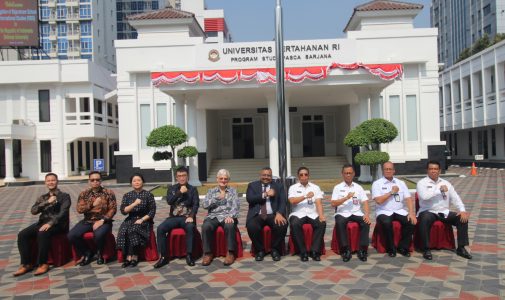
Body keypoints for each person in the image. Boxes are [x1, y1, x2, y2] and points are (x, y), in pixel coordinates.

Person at [14, 173, 71, 276]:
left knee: (42, 233)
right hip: (42, 223)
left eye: (53, 180)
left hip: (58, 225)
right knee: (22, 234)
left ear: (57, 181)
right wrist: (47, 202)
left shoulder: (64, 196)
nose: (51, 182)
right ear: (45, 183)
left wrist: (50, 223)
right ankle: (26, 264)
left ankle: (43, 263)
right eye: (48, 181)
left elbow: (63, 213)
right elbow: (33, 211)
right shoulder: (43, 197)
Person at [416, 160, 472, 260]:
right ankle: (426, 248)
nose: (433, 171)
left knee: (462, 219)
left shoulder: (446, 183)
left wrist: (462, 210)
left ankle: (461, 248)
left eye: (436, 169)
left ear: (439, 171)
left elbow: (455, 198)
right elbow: (424, 197)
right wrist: (439, 190)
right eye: (431, 169)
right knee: (424, 219)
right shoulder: (422, 183)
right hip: (428, 211)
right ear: (427, 171)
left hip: (444, 211)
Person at [68, 171, 117, 266]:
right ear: (89, 181)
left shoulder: (108, 193)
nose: (95, 182)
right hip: (88, 220)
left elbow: (113, 209)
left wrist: (102, 220)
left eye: (97, 180)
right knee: (71, 235)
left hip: (103, 221)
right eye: (92, 180)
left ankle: (100, 253)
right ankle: (87, 252)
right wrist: (92, 204)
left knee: (98, 234)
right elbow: (79, 209)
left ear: (101, 181)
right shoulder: (84, 193)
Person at [154, 166, 199, 268]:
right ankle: (164, 257)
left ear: (187, 176)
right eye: (179, 176)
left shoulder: (193, 189)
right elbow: (169, 201)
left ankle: (189, 255)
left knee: (190, 227)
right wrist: (179, 192)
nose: (182, 178)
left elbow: (196, 204)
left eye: (184, 175)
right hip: (174, 217)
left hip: (187, 217)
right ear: (176, 177)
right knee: (161, 228)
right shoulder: (172, 188)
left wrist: (191, 216)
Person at [372, 161, 416, 257]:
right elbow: (378, 201)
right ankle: (390, 248)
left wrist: (411, 213)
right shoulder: (377, 184)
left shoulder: (401, 183)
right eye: (386, 169)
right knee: (387, 223)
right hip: (383, 211)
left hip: (399, 210)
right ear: (383, 171)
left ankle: (403, 247)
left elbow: (408, 198)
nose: (388, 171)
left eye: (390, 169)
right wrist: (391, 192)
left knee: (411, 222)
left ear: (394, 171)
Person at [246, 167, 288, 262]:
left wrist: (279, 213)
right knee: (252, 226)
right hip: (257, 214)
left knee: (282, 225)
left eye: (268, 175)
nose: (266, 177)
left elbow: (283, 202)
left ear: (271, 176)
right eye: (264, 175)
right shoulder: (252, 185)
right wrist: (265, 194)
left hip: (273, 214)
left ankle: (275, 250)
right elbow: (250, 199)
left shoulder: (278, 186)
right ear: (260, 175)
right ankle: (260, 250)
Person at [331, 164, 371, 262]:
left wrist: (366, 214)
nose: (348, 175)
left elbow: (365, 201)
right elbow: (333, 203)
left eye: (350, 173)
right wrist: (345, 198)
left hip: (356, 212)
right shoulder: (337, 187)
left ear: (353, 174)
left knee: (366, 223)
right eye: (346, 173)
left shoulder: (358, 187)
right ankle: (345, 250)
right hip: (342, 213)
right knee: (340, 223)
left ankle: (362, 250)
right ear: (342, 174)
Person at [201, 169, 240, 266]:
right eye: (221, 178)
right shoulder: (211, 191)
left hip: (227, 216)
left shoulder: (233, 191)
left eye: (225, 179)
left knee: (230, 226)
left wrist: (231, 216)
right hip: (213, 216)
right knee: (205, 227)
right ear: (217, 179)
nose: (223, 180)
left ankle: (230, 253)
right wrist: (216, 198)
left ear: (228, 180)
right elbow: (204, 205)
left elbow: (236, 206)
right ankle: (208, 253)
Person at [116, 173, 156, 267]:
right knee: (123, 231)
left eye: (139, 180)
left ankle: (134, 256)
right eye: (134, 181)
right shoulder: (127, 195)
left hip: (144, 219)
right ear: (131, 183)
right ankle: (127, 256)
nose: (137, 182)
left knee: (133, 230)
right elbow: (123, 211)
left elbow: (152, 211)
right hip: (131, 218)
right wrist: (134, 204)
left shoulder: (148, 194)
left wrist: (142, 219)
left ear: (143, 182)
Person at [288, 167, 326, 262]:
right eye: (301, 175)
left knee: (322, 223)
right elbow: (292, 201)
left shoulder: (315, 187)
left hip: (312, 213)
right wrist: (305, 196)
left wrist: (321, 215)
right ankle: (303, 252)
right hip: (298, 213)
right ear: (298, 176)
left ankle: (315, 251)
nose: (304, 177)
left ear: (308, 175)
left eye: (306, 174)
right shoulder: (293, 188)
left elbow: (318, 203)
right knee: (294, 224)